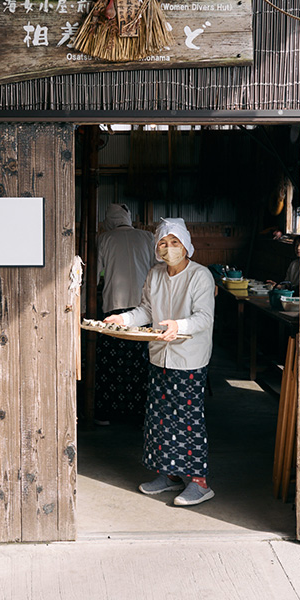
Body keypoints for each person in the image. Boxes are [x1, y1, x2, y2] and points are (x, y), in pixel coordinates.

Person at [105, 217, 216, 507]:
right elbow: (145, 311)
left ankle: (199, 482)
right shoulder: (155, 275)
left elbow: (204, 317)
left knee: (187, 420)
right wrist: (123, 319)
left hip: (188, 359)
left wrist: (178, 326)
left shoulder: (200, 276)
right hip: (159, 356)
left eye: (174, 242)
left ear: (186, 246)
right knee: (159, 419)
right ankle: (168, 475)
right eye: (163, 243)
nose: (168, 248)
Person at [93, 203, 155, 423]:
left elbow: (94, 274)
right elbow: (158, 269)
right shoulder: (147, 237)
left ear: (109, 220)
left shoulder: (105, 239)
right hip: (144, 309)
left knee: (112, 362)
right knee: (141, 362)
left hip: (115, 307)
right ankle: (141, 415)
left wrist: (83, 306)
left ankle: (106, 414)